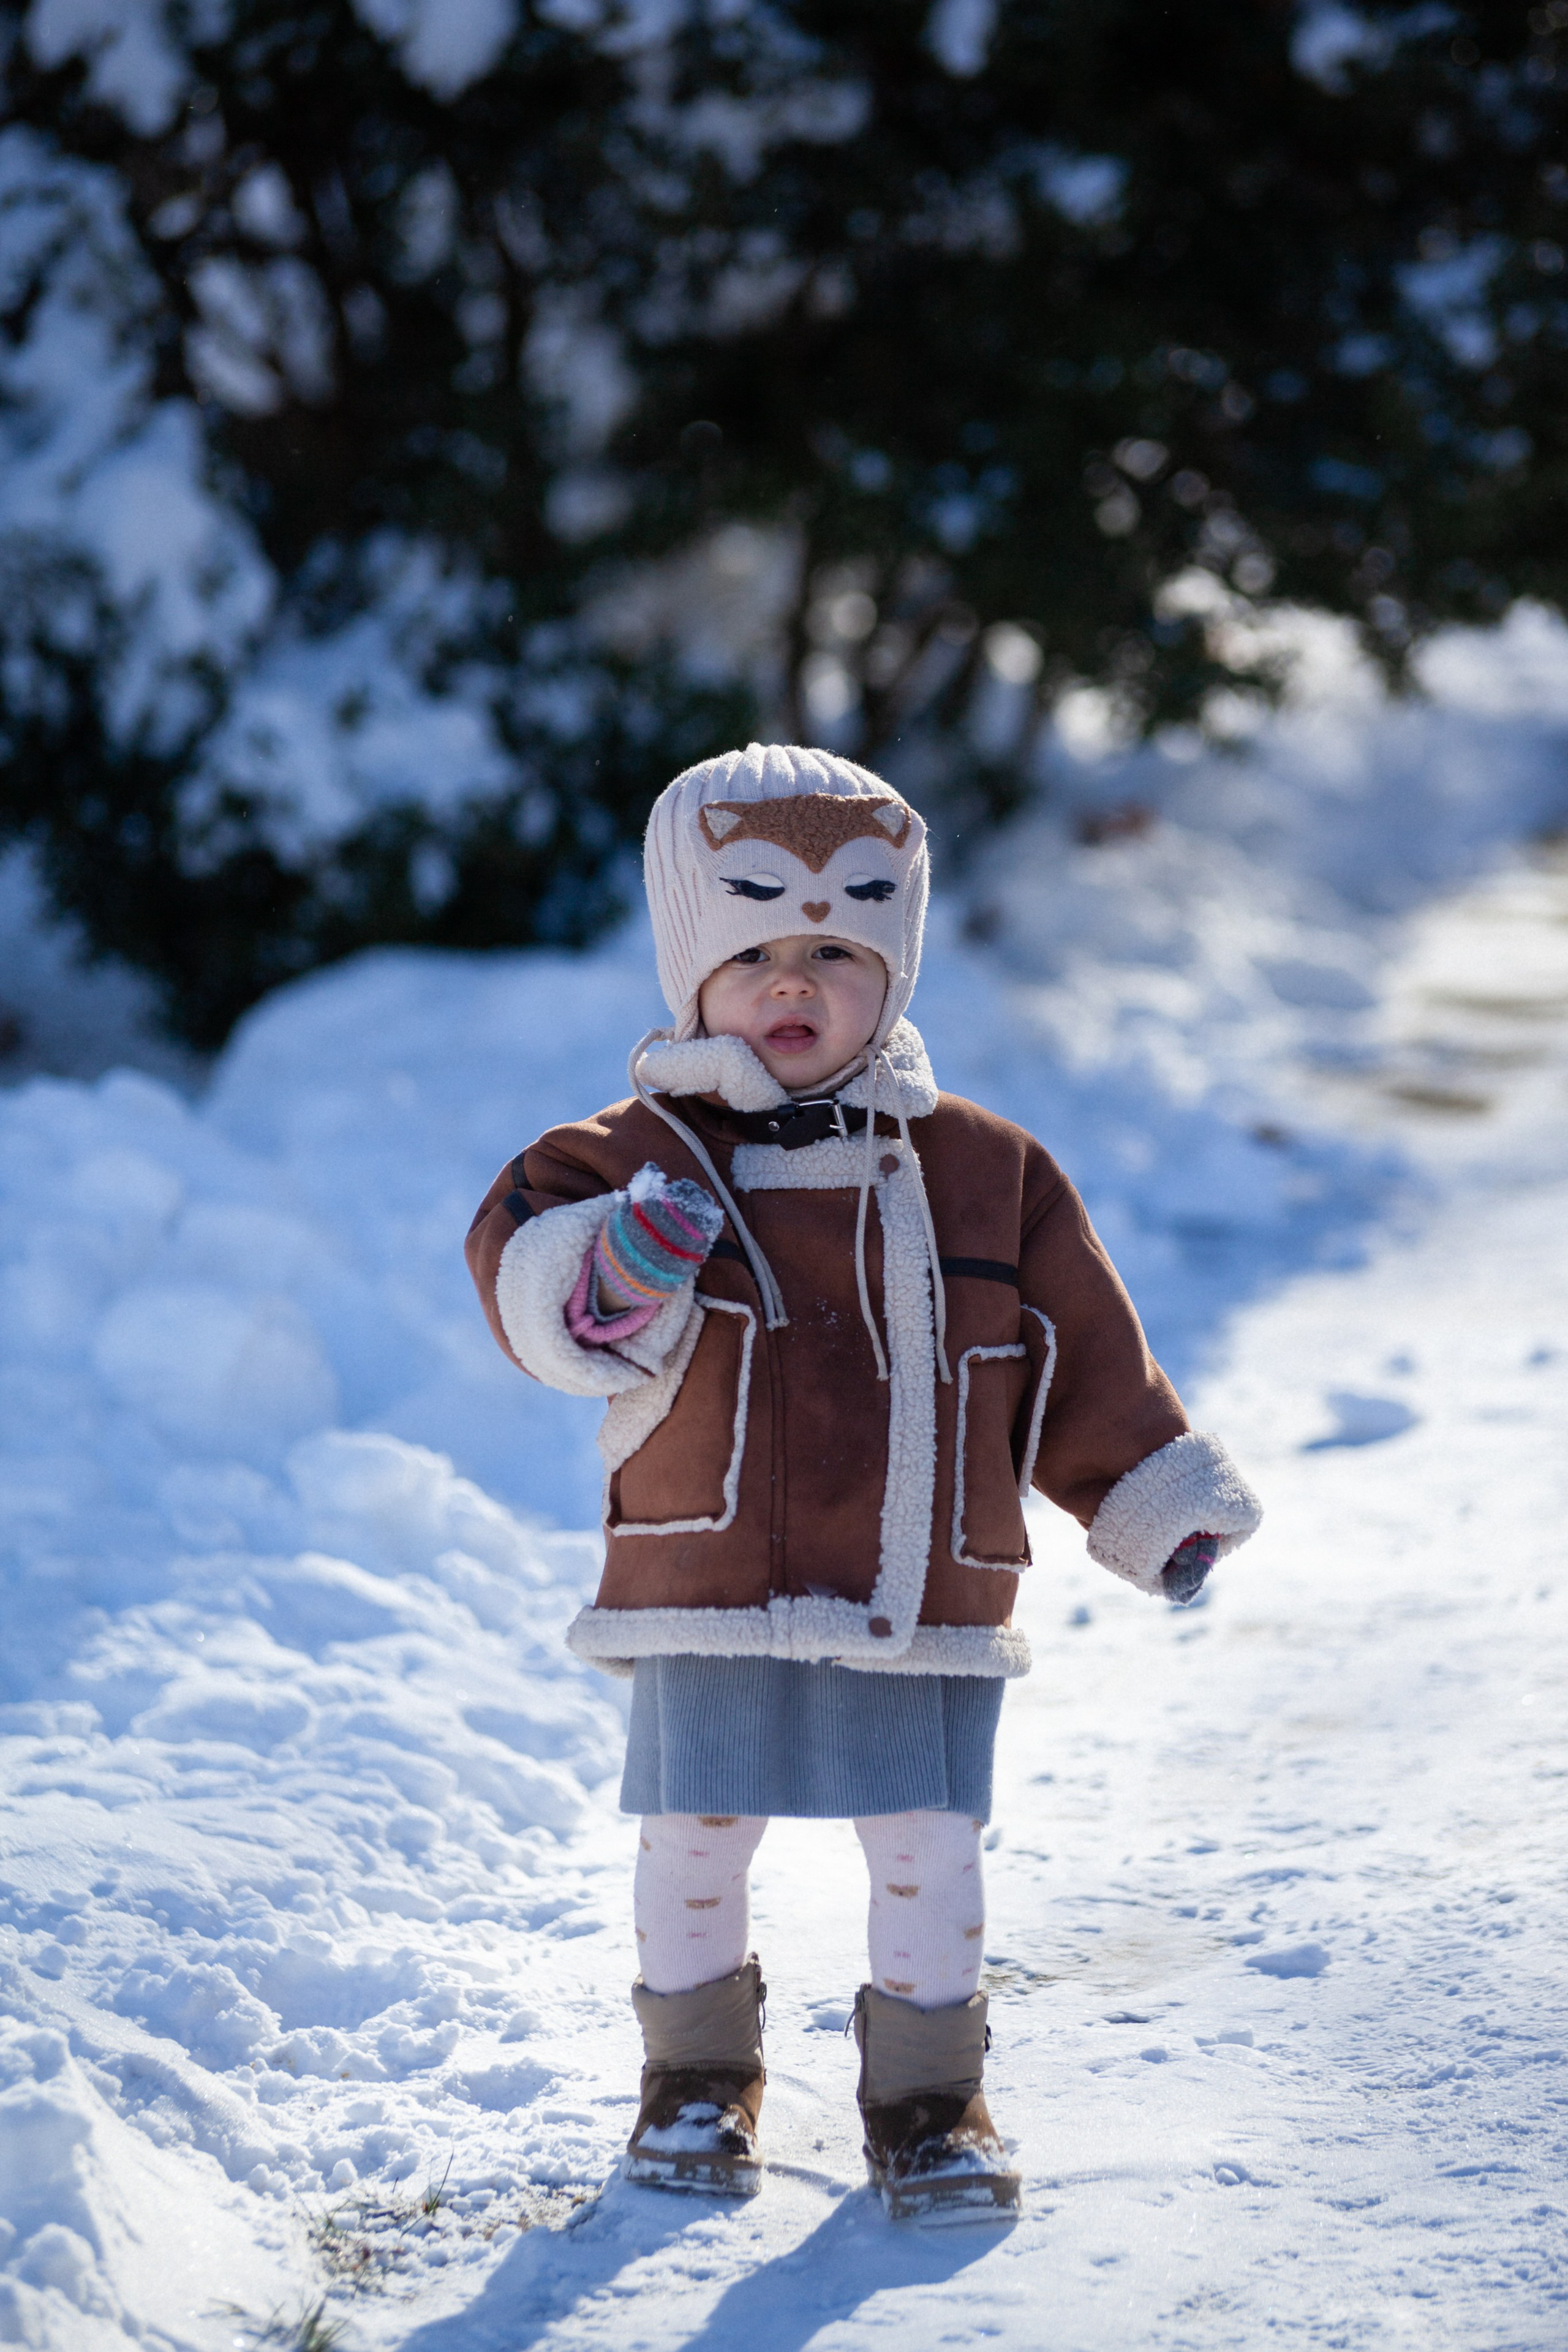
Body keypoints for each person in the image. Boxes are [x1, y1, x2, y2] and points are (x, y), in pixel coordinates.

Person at [466, 742, 1261, 2222]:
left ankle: (928, 2098)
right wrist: (615, 1272)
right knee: (694, 1839)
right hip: (704, 1573)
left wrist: (1148, 1495)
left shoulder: (984, 1172)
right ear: (688, 972)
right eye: (754, 948)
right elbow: (537, 1300)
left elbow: (1074, 1348)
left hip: (921, 1580)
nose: (792, 982)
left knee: (926, 1846)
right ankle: (695, 2084)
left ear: (889, 971)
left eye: (835, 950)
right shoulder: (625, 1162)